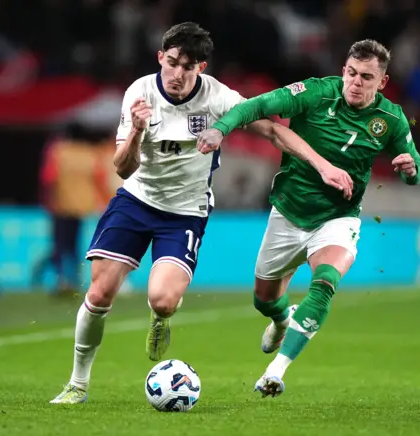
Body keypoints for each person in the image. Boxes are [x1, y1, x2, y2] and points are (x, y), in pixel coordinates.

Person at [50, 22, 349, 404]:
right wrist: (139, 131)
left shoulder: (218, 98)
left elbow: (273, 131)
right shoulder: (139, 93)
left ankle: (160, 320)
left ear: (201, 68)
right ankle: (78, 384)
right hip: (136, 200)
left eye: (187, 66)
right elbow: (122, 168)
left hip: (185, 212)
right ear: (160, 57)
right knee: (99, 292)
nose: (176, 73)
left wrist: (322, 164)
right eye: (171, 62)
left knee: (162, 300)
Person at [197, 39, 420, 398]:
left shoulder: (391, 119)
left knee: (325, 281)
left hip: (338, 217)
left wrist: (410, 169)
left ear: (381, 82)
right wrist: (220, 129)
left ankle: (275, 372)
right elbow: (258, 106)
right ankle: (281, 319)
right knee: (264, 300)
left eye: (366, 77)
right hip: (288, 212)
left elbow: (416, 168)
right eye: (351, 73)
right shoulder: (316, 93)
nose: (355, 82)